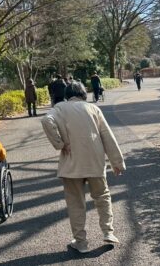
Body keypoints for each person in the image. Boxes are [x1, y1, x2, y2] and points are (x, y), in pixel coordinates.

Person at [41, 82, 126, 254]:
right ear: (83, 93)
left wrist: (59, 144)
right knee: (102, 196)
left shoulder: (60, 108)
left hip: (71, 164)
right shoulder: (93, 109)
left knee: (75, 203)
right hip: (95, 161)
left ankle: (81, 242)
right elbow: (107, 135)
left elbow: (46, 120)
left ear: (67, 94)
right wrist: (117, 162)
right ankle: (108, 232)